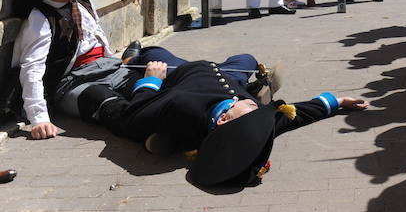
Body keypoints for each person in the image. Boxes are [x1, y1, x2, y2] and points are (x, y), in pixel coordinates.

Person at [85, 45, 367, 187]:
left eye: (252, 109)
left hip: (179, 75)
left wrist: (151, 81)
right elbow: (297, 115)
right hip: (229, 77)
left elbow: (132, 115)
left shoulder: (182, 105)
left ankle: (130, 61)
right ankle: (255, 89)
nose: (258, 112)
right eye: (255, 109)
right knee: (245, 58)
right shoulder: (253, 122)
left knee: (153, 53)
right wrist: (338, 100)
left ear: (223, 121)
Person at [9, 0, 142, 139]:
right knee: (107, 104)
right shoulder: (40, 19)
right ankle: (148, 132)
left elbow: (100, 36)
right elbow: (32, 68)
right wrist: (39, 118)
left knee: (144, 88)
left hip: (110, 70)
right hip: (74, 83)